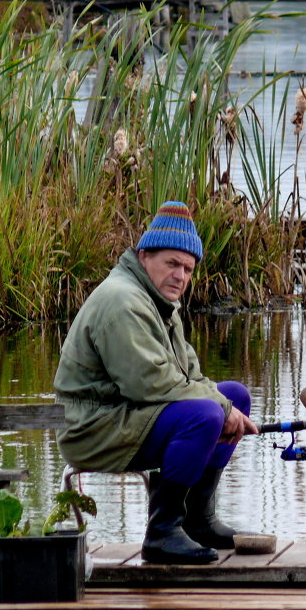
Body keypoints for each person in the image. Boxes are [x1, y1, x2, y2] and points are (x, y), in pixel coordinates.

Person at [53, 201, 259, 565]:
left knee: (235, 397)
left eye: (188, 269)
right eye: (173, 264)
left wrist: (228, 407)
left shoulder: (161, 302)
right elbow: (149, 383)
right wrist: (220, 411)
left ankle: (198, 520)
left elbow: (189, 374)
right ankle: (162, 532)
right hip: (95, 428)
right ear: (145, 255)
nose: (181, 276)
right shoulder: (123, 300)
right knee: (206, 416)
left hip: (130, 416)